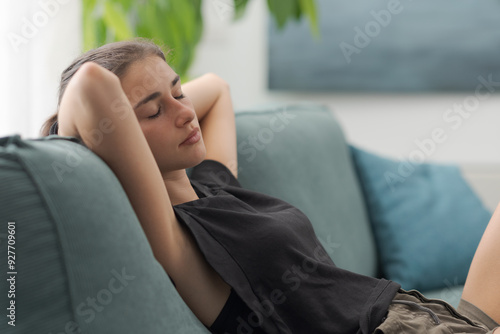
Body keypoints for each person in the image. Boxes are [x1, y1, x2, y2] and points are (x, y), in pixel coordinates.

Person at [40, 38, 500, 334]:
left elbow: (217, 89)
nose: (185, 113)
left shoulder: (213, 184)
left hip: (427, 315)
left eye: (179, 93)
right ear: (117, 135)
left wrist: (157, 97)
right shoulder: (176, 238)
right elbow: (90, 85)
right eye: (153, 111)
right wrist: (92, 141)